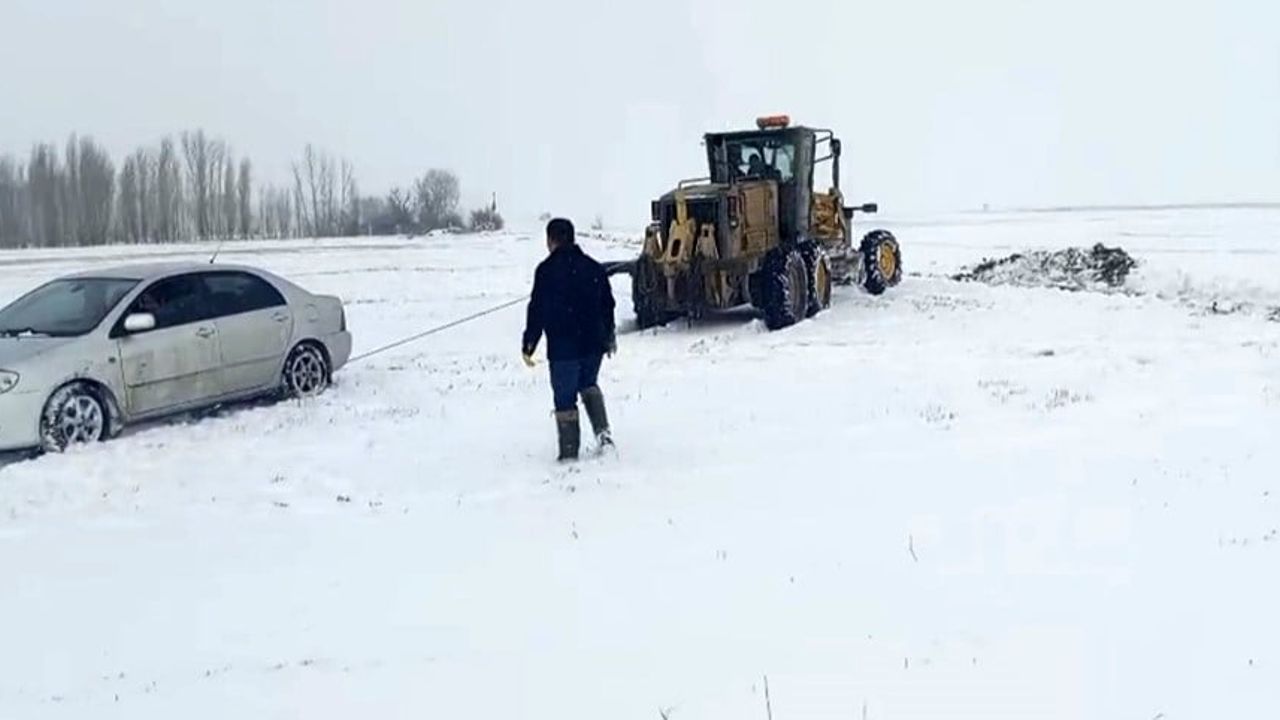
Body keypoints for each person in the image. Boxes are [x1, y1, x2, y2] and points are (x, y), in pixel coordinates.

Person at [522, 217, 617, 461]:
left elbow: (537, 310)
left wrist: (529, 343)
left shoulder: (546, 271)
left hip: (563, 348)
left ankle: (569, 452)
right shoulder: (594, 268)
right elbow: (608, 305)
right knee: (589, 384)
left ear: (551, 240)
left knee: (565, 398)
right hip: (592, 344)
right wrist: (608, 335)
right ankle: (604, 436)